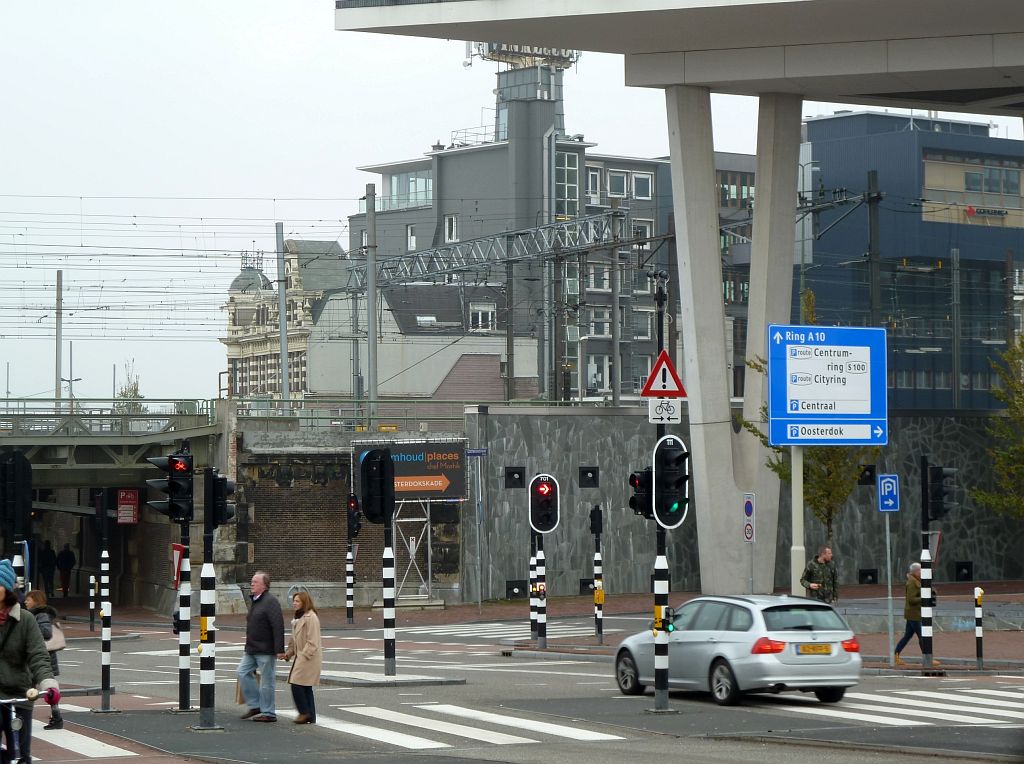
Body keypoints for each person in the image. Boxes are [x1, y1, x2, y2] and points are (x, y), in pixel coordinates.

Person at [0, 560, 60, 764]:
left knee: (22, 752)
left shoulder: (25, 620)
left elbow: (38, 654)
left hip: (20, 692)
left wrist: (48, 684)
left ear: (7, 590)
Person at [237, 571, 284, 723]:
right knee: (242, 672)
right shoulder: (256, 600)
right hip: (251, 648)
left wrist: (279, 649)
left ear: (264, 585)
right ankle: (256, 705)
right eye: (252, 581)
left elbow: (278, 625)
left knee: (267, 681)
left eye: (255, 582)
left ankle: (269, 713)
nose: (252, 584)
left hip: (265, 649)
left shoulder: (271, 601)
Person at [23, 590, 63, 730]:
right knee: (33, 689)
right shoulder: (35, 614)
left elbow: (46, 632)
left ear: (36, 600)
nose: (26, 602)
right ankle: (55, 717)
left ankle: (56, 718)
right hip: (37, 657)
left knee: (45, 690)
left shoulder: (41, 614)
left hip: (42, 658)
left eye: (29, 599)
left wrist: (29, 632)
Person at [283, 590, 322, 725]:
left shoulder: (311, 618)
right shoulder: (298, 618)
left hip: (308, 658)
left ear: (304, 602)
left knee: (296, 684)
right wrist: (288, 653)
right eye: (294, 600)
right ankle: (311, 716)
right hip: (302, 657)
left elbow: (313, 642)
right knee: (305, 687)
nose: (294, 603)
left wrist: (302, 656)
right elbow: (294, 640)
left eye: (298, 601)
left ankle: (304, 712)